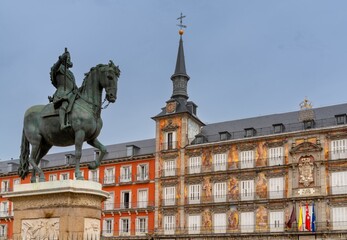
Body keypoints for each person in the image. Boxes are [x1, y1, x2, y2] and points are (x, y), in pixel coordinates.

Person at [49, 48, 77, 130]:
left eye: (69, 59)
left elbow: (74, 86)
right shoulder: (59, 67)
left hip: (71, 94)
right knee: (64, 103)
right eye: (67, 58)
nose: (68, 60)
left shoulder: (71, 74)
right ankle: (62, 124)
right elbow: (54, 69)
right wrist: (61, 59)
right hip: (62, 93)